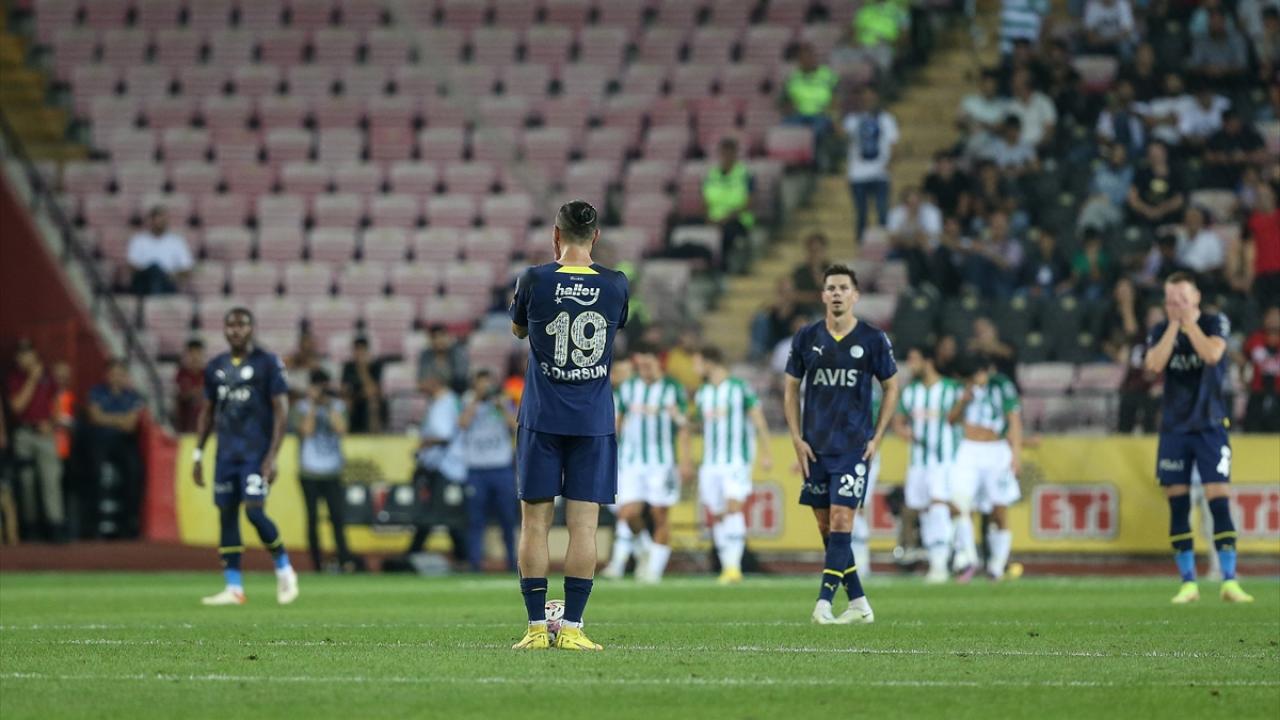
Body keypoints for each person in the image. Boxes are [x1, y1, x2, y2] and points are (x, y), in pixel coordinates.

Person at [509, 200, 629, 651]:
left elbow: (519, 331)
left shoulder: (534, 279)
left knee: (534, 526)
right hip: (592, 421)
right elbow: (614, 327)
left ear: (555, 235)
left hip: (542, 418)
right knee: (584, 528)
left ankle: (537, 629)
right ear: (595, 236)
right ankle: (574, 628)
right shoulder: (616, 284)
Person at [783, 264, 900, 624]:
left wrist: (877, 436)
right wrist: (796, 438)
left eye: (843, 288)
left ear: (855, 295)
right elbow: (790, 389)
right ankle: (859, 603)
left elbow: (892, 387)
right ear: (823, 295)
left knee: (841, 519)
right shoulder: (806, 337)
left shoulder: (872, 339)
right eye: (831, 288)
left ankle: (823, 603)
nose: (837, 293)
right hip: (815, 447)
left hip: (853, 448)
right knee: (827, 529)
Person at [1142, 272, 1252, 603]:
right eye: (1171, 300)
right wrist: (1173, 327)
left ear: (1196, 298)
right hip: (1174, 429)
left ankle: (1229, 580)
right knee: (1178, 505)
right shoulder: (1161, 330)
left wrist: (1189, 325)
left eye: (1182, 299)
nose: (1176, 305)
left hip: (1210, 426)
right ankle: (1187, 582)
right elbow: (1153, 364)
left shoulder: (1215, 322)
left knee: (1219, 500)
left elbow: (1212, 355)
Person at [192, 307, 298, 606]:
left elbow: (281, 411)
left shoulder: (268, 363)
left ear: (252, 328)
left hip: (256, 454)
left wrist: (272, 456)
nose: (236, 330)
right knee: (227, 515)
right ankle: (234, 588)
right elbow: (208, 413)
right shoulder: (216, 367)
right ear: (224, 330)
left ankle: (284, 568)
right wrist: (198, 455)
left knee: (254, 512)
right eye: (231, 325)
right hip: (226, 455)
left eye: (242, 324)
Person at [604, 343, 690, 584]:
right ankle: (644, 550)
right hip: (631, 461)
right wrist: (609, 452)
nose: (644, 370)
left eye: (648, 365)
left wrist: (685, 460)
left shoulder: (672, 388)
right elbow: (618, 422)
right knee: (628, 513)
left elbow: (684, 425)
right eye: (640, 365)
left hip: (662, 463)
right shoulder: (629, 388)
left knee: (659, 514)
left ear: (658, 362)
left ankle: (654, 571)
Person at [690, 345, 772, 584]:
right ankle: (728, 567)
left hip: (736, 460)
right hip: (711, 463)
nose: (694, 368)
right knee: (717, 514)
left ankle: (734, 567)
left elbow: (758, 419)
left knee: (733, 507)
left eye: (697, 362)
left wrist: (766, 452)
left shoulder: (739, 388)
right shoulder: (703, 392)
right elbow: (700, 425)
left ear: (709, 362)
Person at [947, 354, 1023, 582]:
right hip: (968, 450)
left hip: (996, 451)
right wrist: (963, 401)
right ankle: (969, 559)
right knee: (959, 505)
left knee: (999, 510)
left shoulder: (1001, 385)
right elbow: (950, 419)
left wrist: (1016, 455)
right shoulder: (961, 388)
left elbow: (1014, 420)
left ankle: (997, 566)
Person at [895, 345, 962, 583]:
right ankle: (942, 557)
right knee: (922, 508)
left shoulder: (951, 388)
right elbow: (899, 420)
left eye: (914, 359)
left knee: (938, 504)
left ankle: (941, 563)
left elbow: (964, 418)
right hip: (918, 461)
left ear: (928, 361)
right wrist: (902, 430)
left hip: (944, 459)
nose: (910, 364)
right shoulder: (911, 391)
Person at [458, 368, 519, 573]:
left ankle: (512, 561)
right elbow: (462, 424)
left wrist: (502, 406)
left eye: (488, 383)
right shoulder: (467, 401)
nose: (485, 387)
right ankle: (475, 563)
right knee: (475, 519)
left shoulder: (504, 401)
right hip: (477, 469)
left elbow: (515, 426)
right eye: (481, 383)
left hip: (501, 468)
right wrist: (476, 400)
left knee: (508, 518)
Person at [296, 368, 354, 573]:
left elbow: (341, 429)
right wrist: (313, 405)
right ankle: (316, 564)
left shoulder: (337, 406)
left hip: (332, 471)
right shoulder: (302, 407)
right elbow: (306, 431)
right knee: (312, 519)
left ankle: (345, 560)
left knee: (337, 517)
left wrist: (328, 406)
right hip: (309, 471)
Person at [6, 340, 63, 541]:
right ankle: (30, 527)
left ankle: (55, 526)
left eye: (27, 353)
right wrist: (32, 379)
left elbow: (57, 403)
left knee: (51, 478)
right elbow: (17, 407)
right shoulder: (14, 378)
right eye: (20, 354)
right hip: (24, 433)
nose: (24, 358)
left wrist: (52, 424)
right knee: (27, 482)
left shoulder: (48, 376)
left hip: (45, 434)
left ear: (35, 355)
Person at [405, 370, 466, 557]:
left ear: (434, 381)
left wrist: (423, 444)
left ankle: (414, 553)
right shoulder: (451, 400)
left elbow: (443, 435)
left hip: (444, 466)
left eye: (423, 379)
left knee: (433, 513)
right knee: (443, 513)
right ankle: (463, 554)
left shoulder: (443, 403)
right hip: (450, 465)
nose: (420, 384)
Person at [85, 359, 144, 538]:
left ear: (125, 376)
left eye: (120, 374)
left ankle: (129, 524)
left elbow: (130, 425)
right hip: (100, 441)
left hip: (124, 442)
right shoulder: (96, 392)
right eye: (113, 373)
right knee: (93, 472)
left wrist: (106, 418)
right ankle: (94, 524)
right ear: (106, 375)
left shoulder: (133, 396)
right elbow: (94, 418)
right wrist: (120, 419)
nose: (116, 377)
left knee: (134, 471)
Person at [841, 86, 899, 243]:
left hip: (880, 173)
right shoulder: (852, 119)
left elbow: (893, 143)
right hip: (857, 175)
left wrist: (890, 162)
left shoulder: (886, 119)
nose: (868, 101)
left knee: (882, 212)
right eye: (865, 97)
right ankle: (861, 246)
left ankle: (883, 246)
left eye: (870, 97)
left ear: (876, 98)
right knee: (861, 213)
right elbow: (841, 134)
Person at [781, 43, 838, 170]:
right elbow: (785, 101)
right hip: (799, 115)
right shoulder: (793, 77)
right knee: (786, 126)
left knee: (816, 131)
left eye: (808, 57)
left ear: (813, 57)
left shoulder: (827, 75)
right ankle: (793, 164)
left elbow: (836, 97)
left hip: (821, 114)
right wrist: (789, 108)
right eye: (802, 58)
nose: (805, 61)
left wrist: (832, 113)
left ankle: (814, 163)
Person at [702, 137, 755, 273]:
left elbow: (749, 203)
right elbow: (704, 201)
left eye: (730, 153)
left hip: (738, 220)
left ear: (735, 154)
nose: (726, 156)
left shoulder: (745, 175)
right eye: (724, 152)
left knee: (727, 232)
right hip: (713, 219)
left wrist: (728, 217)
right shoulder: (711, 174)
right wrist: (708, 218)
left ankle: (721, 267)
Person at [127, 206, 194, 296]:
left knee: (158, 273)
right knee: (154, 269)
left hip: (167, 282)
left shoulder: (177, 241)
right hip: (144, 281)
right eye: (157, 219)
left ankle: (154, 297)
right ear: (151, 221)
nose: (160, 222)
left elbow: (186, 268)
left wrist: (173, 275)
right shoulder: (139, 240)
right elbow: (131, 266)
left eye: (163, 219)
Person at [1243, 306, 1280, 432]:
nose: (1273, 320)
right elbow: (1243, 358)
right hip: (1257, 390)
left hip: (1278, 390)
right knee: (1252, 427)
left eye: (1277, 317)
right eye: (1271, 317)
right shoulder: (1256, 337)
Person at [1245, 184, 1280, 308]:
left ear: (1273, 196)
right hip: (1261, 274)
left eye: (1265, 195)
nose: (1262, 198)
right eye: (1259, 195)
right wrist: (1249, 276)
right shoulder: (1252, 221)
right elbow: (1249, 248)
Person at [341, 336, 384, 433]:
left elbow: (373, 390)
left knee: (372, 401)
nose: (359, 353)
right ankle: (346, 432)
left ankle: (372, 433)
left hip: (368, 399)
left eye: (362, 349)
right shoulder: (348, 366)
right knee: (345, 403)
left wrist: (362, 369)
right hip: (353, 399)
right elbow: (343, 388)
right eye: (357, 349)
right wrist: (349, 395)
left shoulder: (375, 365)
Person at [417, 325, 470, 395]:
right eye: (435, 337)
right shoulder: (426, 356)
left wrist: (440, 387)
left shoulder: (457, 353)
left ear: (448, 337)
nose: (439, 340)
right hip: (432, 396)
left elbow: (460, 378)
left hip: (457, 394)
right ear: (431, 340)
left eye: (442, 336)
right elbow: (421, 382)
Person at [175, 339, 205, 433]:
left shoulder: (207, 374)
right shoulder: (181, 374)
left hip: (205, 428)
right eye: (192, 353)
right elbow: (182, 395)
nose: (195, 357)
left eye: (198, 353)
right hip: (185, 427)